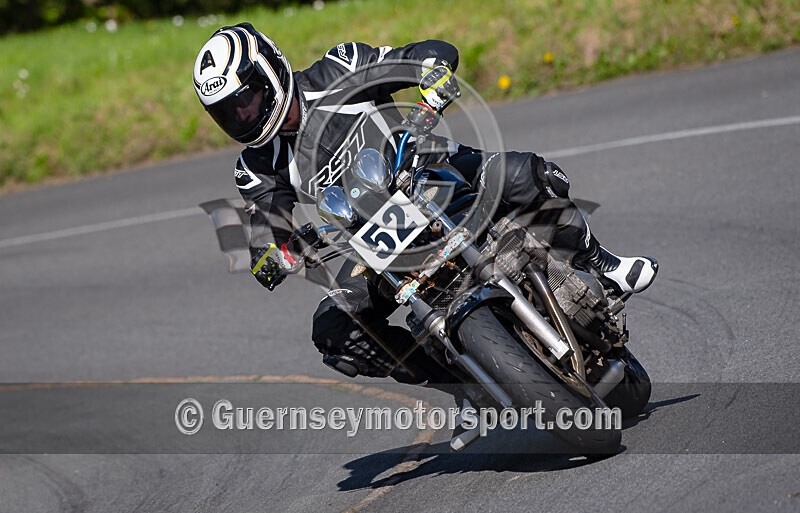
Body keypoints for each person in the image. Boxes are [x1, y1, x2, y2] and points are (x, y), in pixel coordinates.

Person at [193, 23, 658, 450]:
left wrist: (431, 74)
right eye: (227, 112)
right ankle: (466, 386)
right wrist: (274, 256)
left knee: (531, 175)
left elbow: (425, 54)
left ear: (272, 70)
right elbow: (265, 227)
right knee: (335, 332)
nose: (243, 114)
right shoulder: (255, 167)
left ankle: (604, 267)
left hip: (432, 174)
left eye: (247, 98)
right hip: (368, 243)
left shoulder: (341, 68)